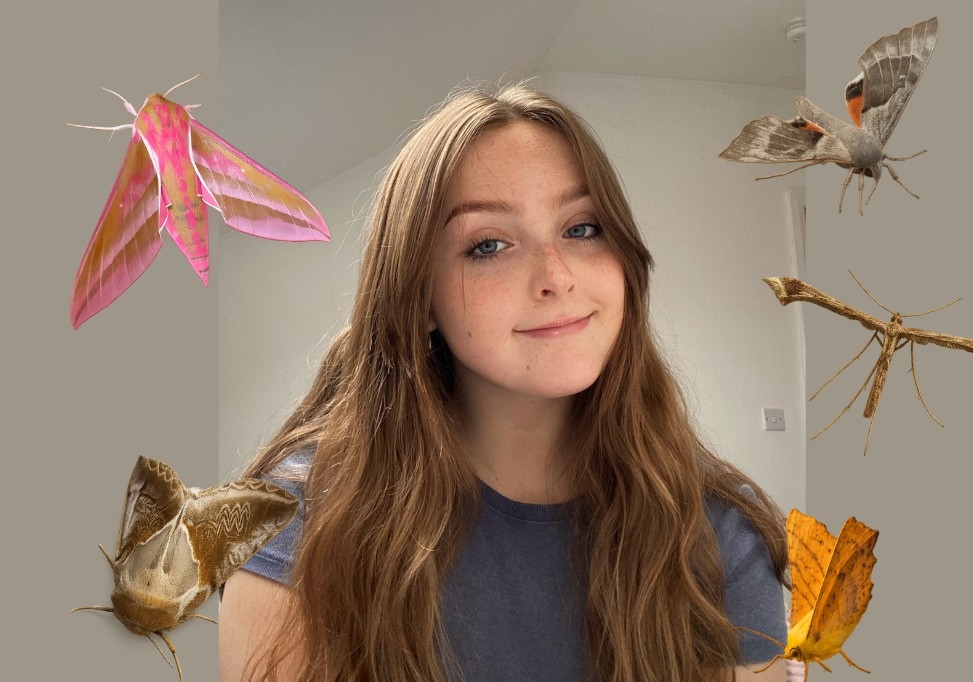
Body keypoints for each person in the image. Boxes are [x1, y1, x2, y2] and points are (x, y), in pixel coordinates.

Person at [219, 83, 790, 682]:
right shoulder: (300, 520)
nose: (556, 277)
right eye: (488, 245)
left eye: (583, 228)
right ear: (420, 298)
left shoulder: (720, 530)